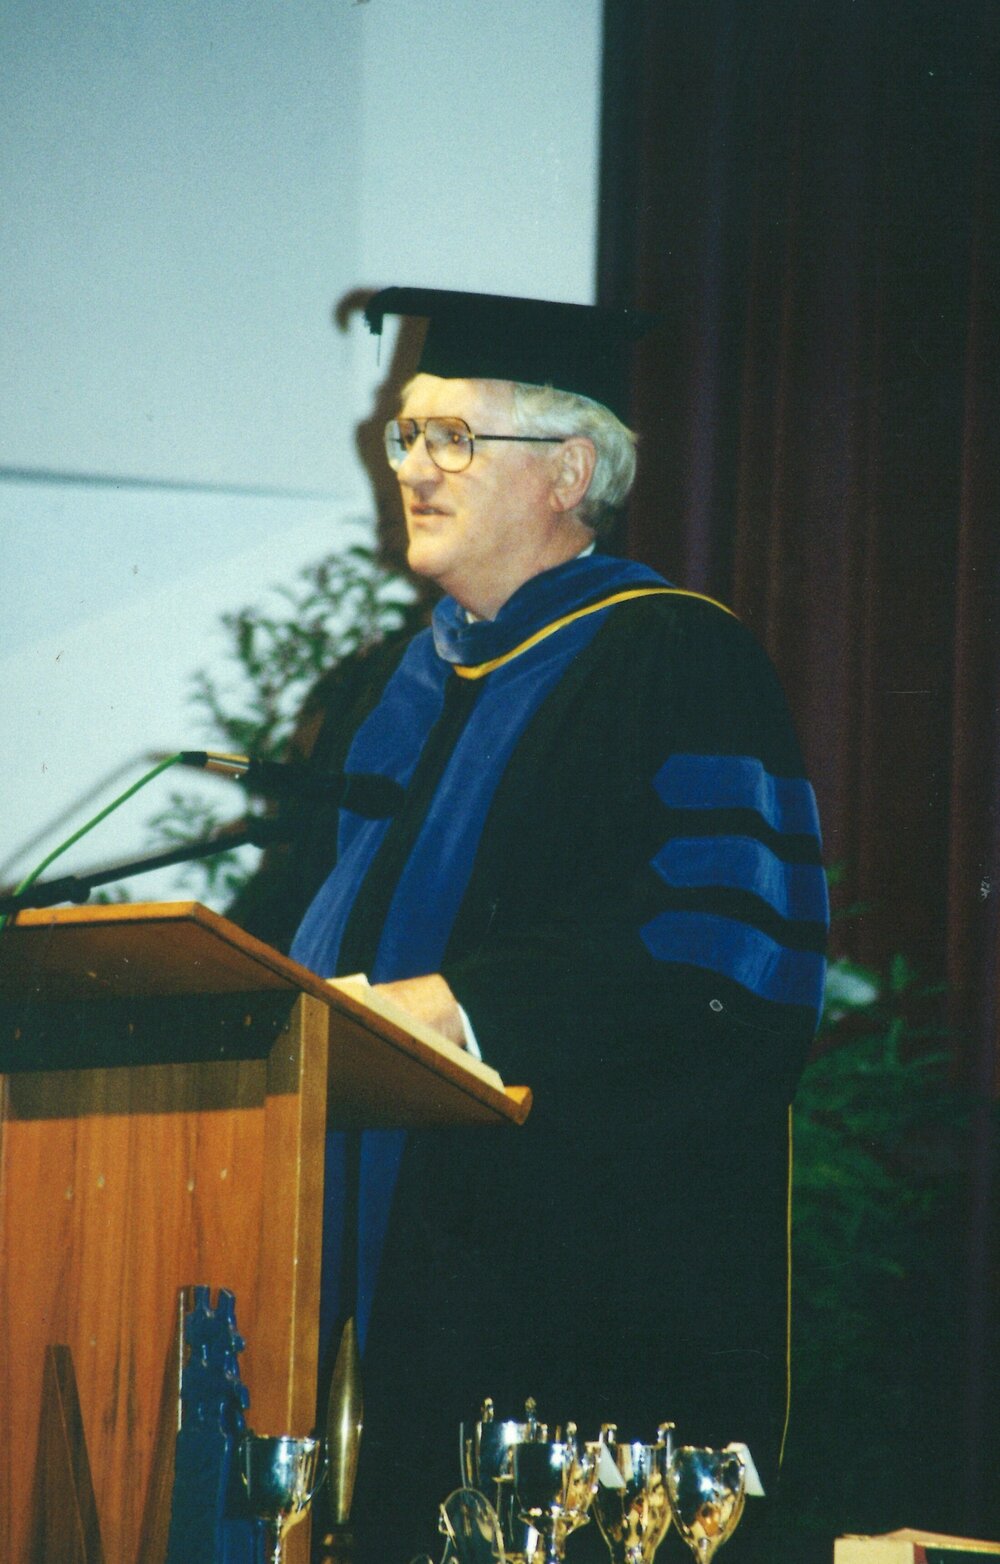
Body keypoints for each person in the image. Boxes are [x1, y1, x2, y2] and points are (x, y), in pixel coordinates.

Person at [231, 287, 828, 1563]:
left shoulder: (673, 659)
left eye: (453, 437)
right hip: (355, 1275)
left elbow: (716, 961)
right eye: (406, 434)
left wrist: (451, 1007)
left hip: (564, 1288)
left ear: (569, 471)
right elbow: (288, 923)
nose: (412, 468)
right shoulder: (391, 690)